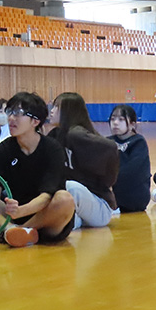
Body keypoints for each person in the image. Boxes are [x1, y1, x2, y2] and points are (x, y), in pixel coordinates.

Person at [0, 92, 75, 248]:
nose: (11, 118)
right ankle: (11, 231)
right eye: (9, 112)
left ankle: (12, 231)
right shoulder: (5, 148)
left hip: (46, 219)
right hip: (14, 213)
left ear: (35, 121)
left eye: (18, 113)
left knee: (64, 199)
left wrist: (21, 211)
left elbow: (46, 197)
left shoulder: (53, 149)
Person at [48, 93, 119, 229]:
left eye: (57, 107)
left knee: (71, 187)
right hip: (76, 207)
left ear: (68, 111)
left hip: (98, 207)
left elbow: (111, 147)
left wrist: (107, 182)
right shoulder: (55, 134)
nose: (52, 110)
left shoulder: (76, 134)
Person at [107, 104, 151, 212]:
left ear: (132, 124)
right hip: (114, 191)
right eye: (113, 119)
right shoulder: (107, 141)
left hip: (135, 195)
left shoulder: (138, 142)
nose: (115, 123)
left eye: (121, 119)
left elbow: (132, 170)